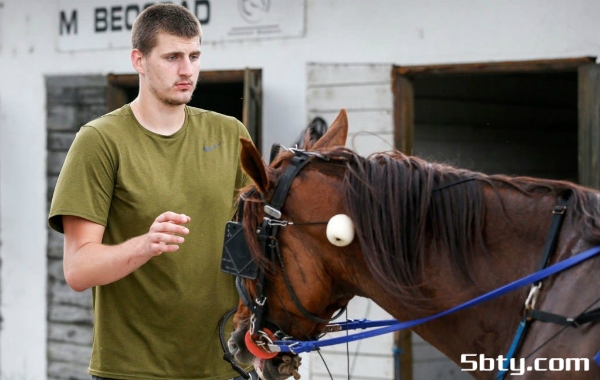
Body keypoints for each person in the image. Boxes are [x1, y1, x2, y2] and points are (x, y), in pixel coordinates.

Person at [48, 4, 253, 379]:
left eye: (194, 56)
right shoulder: (100, 140)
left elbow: (256, 246)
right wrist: (147, 244)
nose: (187, 70)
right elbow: (78, 269)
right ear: (138, 60)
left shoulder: (231, 134)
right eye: (172, 57)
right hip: (132, 369)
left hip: (224, 365)